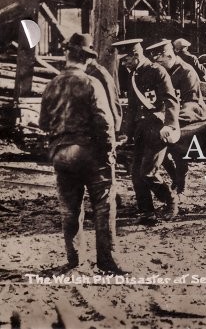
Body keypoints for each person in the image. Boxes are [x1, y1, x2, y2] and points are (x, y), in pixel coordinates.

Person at [39, 33, 127, 274]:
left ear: (67, 56)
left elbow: (43, 122)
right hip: (88, 152)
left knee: (70, 208)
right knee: (104, 204)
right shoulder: (91, 83)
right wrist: (109, 151)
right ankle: (107, 262)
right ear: (87, 59)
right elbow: (104, 122)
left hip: (60, 152)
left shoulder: (52, 84)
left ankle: (74, 259)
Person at [112, 38, 180, 224]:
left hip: (158, 130)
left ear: (136, 55)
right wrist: (127, 132)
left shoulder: (157, 71)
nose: (123, 63)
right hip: (141, 131)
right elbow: (133, 108)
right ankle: (147, 212)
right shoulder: (133, 74)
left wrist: (170, 124)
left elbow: (170, 100)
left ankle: (171, 200)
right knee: (136, 176)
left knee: (148, 172)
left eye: (125, 59)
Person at [146, 40, 206, 199]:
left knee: (172, 141)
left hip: (192, 115)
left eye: (160, 60)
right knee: (154, 138)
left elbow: (191, 102)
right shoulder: (160, 71)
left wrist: (169, 117)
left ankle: (180, 181)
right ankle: (175, 177)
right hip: (170, 114)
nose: (158, 64)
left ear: (169, 55)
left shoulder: (186, 71)